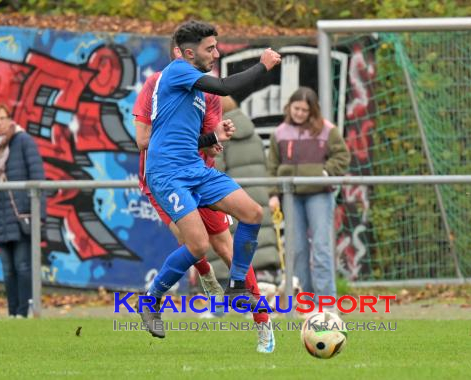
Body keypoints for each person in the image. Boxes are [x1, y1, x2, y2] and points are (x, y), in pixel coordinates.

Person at [140, 21, 281, 337]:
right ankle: (151, 300)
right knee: (199, 245)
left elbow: (181, 138)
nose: (216, 53)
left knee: (253, 213)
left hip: (193, 167)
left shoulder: (195, 89)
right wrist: (263, 65)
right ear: (189, 53)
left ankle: (235, 284)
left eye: (216, 47)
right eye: (210, 49)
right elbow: (226, 87)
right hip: (167, 174)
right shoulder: (179, 71)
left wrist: (211, 137)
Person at [267, 87, 350, 306]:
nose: (300, 113)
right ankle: (306, 302)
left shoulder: (327, 130)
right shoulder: (279, 133)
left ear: (312, 111)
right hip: (291, 197)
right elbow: (272, 166)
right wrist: (273, 194)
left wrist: (324, 173)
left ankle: (327, 304)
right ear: (289, 107)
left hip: (319, 195)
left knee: (322, 247)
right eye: (296, 108)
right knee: (297, 250)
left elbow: (342, 157)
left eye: (305, 110)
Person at [0, 102, 46, 318]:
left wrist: (39, 216)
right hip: (0, 218)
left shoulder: (23, 140)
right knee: (7, 269)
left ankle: (24, 312)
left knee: (23, 265)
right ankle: (12, 313)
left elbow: (38, 178)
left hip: (21, 216)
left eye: (2, 118)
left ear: (9, 119)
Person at [215, 96, 280, 273]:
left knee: (232, 249)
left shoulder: (218, 138)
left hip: (230, 201)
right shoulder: (255, 136)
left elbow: (214, 172)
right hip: (258, 201)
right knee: (257, 240)